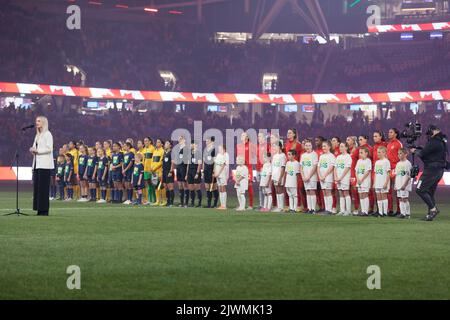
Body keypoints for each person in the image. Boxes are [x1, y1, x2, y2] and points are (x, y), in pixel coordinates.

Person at [412, 125, 447, 221]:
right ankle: (430, 214)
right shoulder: (441, 141)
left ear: (436, 130)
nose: (429, 135)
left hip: (431, 170)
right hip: (439, 170)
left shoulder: (434, 141)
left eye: (430, 132)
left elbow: (423, 154)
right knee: (429, 192)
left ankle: (433, 209)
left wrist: (416, 150)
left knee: (420, 189)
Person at [29, 116, 54, 216]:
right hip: (37, 164)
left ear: (44, 122)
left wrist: (37, 151)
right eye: (36, 121)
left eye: (39, 121)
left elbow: (50, 149)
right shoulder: (37, 135)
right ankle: (39, 209)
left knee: (43, 188)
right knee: (37, 188)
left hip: (44, 165)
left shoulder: (48, 134)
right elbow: (35, 148)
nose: (37, 122)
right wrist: (32, 150)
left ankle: (44, 210)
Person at [387, 128, 403, 216]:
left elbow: (401, 155)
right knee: (388, 190)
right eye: (389, 132)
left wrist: (398, 168)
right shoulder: (388, 144)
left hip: (396, 168)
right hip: (388, 169)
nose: (389, 134)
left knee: (397, 190)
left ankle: (399, 210)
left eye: (391, 132)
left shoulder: (398, 144)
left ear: (396, 134)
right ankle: (390, 209)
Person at [300, 140, 318, 214]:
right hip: (305, 177)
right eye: (306, 145)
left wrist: (309, 176)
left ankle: (313, 209)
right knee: (307, 192)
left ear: (311, 146)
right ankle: (309, 208)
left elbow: (314, 166)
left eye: (309, 145)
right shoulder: (303, 155)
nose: (307, 147)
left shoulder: (314, 154)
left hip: (312, 177)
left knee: (312, 191)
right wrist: (303, 176)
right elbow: (301, 167)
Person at [318, 140, 336, 214]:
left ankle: (329, 209)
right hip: (322, 177)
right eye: (322, 146)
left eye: (325, 146)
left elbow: (332, 167)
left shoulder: (331, 156)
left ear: (329, 147)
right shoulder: (321, 156)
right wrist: (320, 175)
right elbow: (318, 166)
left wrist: (325, 175)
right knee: (324, 193)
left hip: (328, 177)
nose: (323, 147)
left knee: (328, 192)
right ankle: (326, 209)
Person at [334, 142, 352, 216]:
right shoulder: (338, 157)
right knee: (341, 193)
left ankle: (348, 211)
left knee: (346, 193)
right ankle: (342, 210)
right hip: (338, 178)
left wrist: (341, 177)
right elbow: (335, 167)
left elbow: (347, 168)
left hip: (344, 178)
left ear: (346, 148)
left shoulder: (348, 157)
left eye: (342, 146)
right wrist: (336, 177)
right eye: (340, 146)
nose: (340, 148)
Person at [394, 148, 412, 219]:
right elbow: (397, 175)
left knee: (405, 199)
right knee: (400, 199)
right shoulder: (398, 164)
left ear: (405, 154)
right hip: (398, 184)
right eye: (398, 154)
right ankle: (402, 213)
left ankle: (407, 213)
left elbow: (409, 176)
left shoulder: (408, 163)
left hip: (404, 185)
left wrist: (404, 185)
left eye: (400, 153)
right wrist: (395, 184)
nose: (399, 155)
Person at [374, 146, 391, 217]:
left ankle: (385, 212)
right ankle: (380, 212)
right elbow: (375, 173)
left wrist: (386, 183)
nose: (378, 154)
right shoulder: (377, 162)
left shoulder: (386, 161)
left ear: (384, 153)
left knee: (384, 197)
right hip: (377, 182)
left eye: (379, 152)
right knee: (378, 197)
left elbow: (388, 173)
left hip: (383, 182)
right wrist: (374, 183)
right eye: (377, 152)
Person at [356, 147, 372, 216]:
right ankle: (362, 210)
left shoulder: (368, 161)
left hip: (365, 181)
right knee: (361, 195)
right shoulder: (359, 161)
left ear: (366, 153)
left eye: (362, 153)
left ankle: (366, 211)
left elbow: (368, 171)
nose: (360, 154)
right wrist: (358, 179)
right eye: (359, 153)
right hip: (359, 181)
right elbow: (356, 171)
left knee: (365, 194)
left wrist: (362, 179)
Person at [186, 140, 202, 207]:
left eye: (191, 144)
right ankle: (192, 203)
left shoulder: (198, 153)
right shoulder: (189, 153)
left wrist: (197, 173)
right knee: (191, 188)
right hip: (190, 172)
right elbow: (188, 164)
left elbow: (199, 164)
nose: (190, 145)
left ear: (195, 145)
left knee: (197, 188)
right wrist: (186, 174)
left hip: (195, 172)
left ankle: (199, 203)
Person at [203, 136, 218, 208]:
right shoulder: (205, 150)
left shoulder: (214, 150)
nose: (206, 142)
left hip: (211, 170)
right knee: (207, 187)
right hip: (206, 170)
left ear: (212, 142)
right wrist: (203, 170)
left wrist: (214, 170)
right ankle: (208, 204)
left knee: (214, 187)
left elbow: (215, 162)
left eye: (207, 141)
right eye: (206, 141)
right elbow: (204, 161)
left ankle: (215, 203)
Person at [271, 141, 286, 213]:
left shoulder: (283, 156)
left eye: (275, 146)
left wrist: (280, 178)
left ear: (280, 147)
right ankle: (278, 206)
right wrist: (272, 176)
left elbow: (283, 167)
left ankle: (281, 207)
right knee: (277, 190)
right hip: (275, 175)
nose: (274, 148)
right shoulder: (274, 156)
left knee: (280, 190)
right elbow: (273, 167)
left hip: (279, 176)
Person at [213, 144, 229, 210]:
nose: (219, 150)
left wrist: (218, 173)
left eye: (220, 149)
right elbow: (216, 164)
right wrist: (214, 172)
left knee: (223, 188)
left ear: (224, 149)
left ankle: (224, 205)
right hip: (217, 174)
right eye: (219, 149)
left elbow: (223, 166)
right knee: (220, 188)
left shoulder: (225, 155)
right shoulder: (219, 155)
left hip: (222, 174)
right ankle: (221, 204)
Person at [175, 135, 189, 207]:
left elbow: (187, 161)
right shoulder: (178, 149)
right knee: (180, 185)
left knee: (185, 185)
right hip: (178, 168)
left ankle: (186, 203)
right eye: (179, 139)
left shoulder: (186, 148)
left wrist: (186, 173)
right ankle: (181, 203)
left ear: (184, 140)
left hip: (183, 168)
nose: (179, 140)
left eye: (180, 139)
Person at [162, 140, 175, 207]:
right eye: (165, 143)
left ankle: (171, 203)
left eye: (167, 143)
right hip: (164, 171)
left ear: (170, 145)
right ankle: (168, 201)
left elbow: (173, 163)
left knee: (170, 187)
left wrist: (171, 171)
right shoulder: (164, 153)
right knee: (165, 187)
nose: (165, 144)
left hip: (169, 172)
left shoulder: (171, 153)